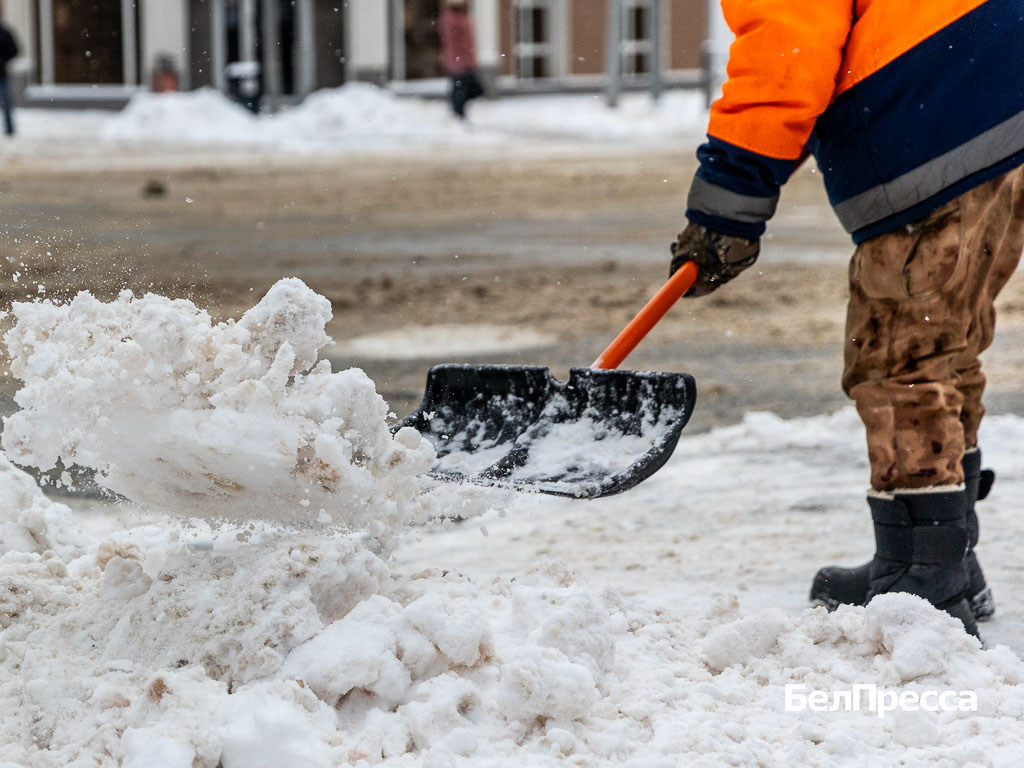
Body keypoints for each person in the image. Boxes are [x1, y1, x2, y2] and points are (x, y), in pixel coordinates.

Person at [669, 0, 1024, 639]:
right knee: (947, 344)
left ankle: (923, 586)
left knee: (898, 360)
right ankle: (950, 561)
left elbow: (788, 55)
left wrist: (729, 201)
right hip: (1002, 114)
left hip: (936, 121)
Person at [439, 0, 483, 119]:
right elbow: (453, 42)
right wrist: (457, 60)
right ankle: (458, 113)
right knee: (460, 89)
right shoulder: (451, 18)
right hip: (458, 61)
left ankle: (459, 112)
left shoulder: (462, 16)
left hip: (466, 60)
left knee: (465, 88)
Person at [0, 21, 18, 136]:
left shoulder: (4, 33)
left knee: (6, 103)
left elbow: (14, 50)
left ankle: (10, 129)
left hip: (1, 75)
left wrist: (2, 60)